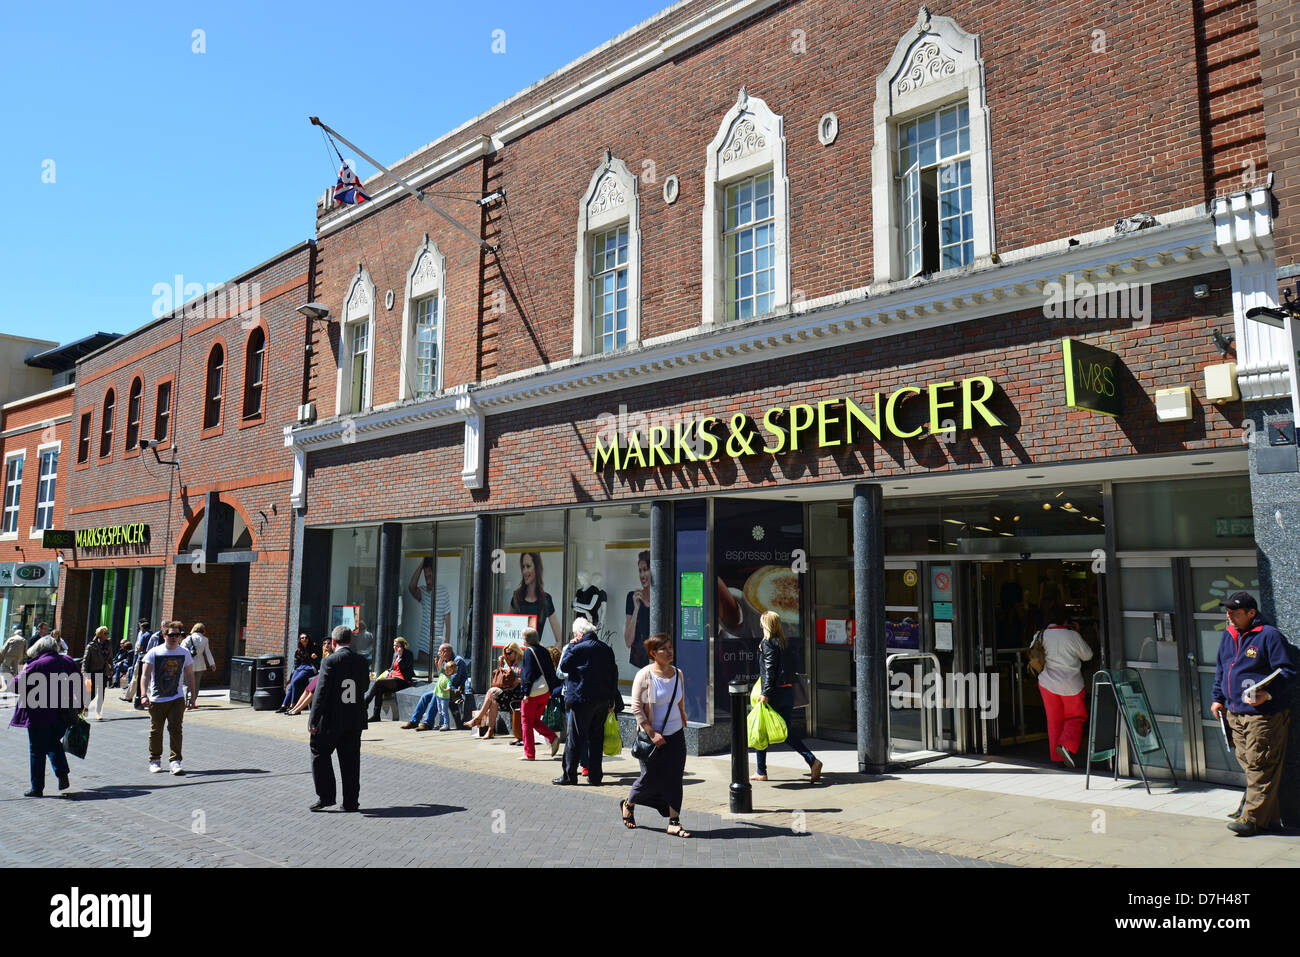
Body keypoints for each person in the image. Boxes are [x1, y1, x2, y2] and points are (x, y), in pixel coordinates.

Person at [1212, 592, 1296, 836]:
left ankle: (1251, 820)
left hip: (1263, 714)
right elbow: (1222, 669)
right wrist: (1217, 699)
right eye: (1227, 612)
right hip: (1234, 711)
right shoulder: (1228, 635)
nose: (1229, 617)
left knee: (1260, 763)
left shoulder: (1269, 636)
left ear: (1251, 613)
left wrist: (1267, 695)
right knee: (1250, 763)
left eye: (1235, 613)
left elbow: (1288, 673)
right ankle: (1269, 817)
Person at [623, 633, 690, 837]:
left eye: (671, 647)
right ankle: (629, 803)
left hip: (675, 734)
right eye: (665, 649)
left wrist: (683, 716)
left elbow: (678, 700)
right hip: (652, 737)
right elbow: (637, 708)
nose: (670, 652)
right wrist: (652, 734)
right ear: (653, 653)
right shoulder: (645, 676)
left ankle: (674, 821)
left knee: (675, 777)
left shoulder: (678, 673)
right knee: (649, 778)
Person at [752, 611, 822, 783]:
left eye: (762, 623)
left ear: (765, 625)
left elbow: (770, 670)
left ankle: (761, 771)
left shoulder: (767, 643)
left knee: (760, 731)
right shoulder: (785, 643)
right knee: (786, 732)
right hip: (787, 692)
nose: (760, 626)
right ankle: (812, 761)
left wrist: (765, 693)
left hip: (774, 693)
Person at [308, 625, 371, 812]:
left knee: (319, 752)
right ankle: (351, 802)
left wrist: (313, 719)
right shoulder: (361, 661)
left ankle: (326, 797)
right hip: (354, 719)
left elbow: (321, 691)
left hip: (331, 719)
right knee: (351, 761)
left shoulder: (330, 661)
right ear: (350, 641)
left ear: (333, 642)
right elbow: (365, 686)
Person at [9, 635, 80, 796]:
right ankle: (62, 774)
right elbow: (79, 684)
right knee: (53, 742)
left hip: (37, 714)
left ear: (39, 649)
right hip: (62, 713)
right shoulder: (67, 661)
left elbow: (14, 686)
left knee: (37, 750)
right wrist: (80, 705)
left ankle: (37, 787)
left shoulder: (35, 665)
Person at [555, 618, 617, 786]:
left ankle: (569, 775)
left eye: (575, 634)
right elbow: (613, 673)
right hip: (602, 700)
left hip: (582, 699)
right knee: (596, 739)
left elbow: (565, 667)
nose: (575, 637)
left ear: (579, 634)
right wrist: (611, 699)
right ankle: (595, 776)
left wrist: (571, 646)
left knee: (575, 739)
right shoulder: (606, 648)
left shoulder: (578, 648)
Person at [1034, 598, 1094, 768]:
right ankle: (1066, 746)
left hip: (1047, 684)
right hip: (1071, 684)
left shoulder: (1041, 634)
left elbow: (1033, 651)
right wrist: (1077, 633)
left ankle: (1056, 757)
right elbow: (1087, 655)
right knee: (1076, 717)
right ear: (1066, 620)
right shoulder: (1072, 635)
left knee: (1053, 721)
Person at [140, 621, 197, 775]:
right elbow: (145, 675)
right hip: (157, 699)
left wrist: (192, 696)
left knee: (176, 729)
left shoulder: (184, 652)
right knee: (156, 730)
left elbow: (190, 675)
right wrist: (143, 695)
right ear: (164, 635)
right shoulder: (154, 652)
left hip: (176, 698)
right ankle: (155, 759)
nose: (174, 638)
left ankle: (175, 761)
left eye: (177, 635)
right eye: (171, 635)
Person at [518, 626, 561, 760]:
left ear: (526, 640)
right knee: (535, 720)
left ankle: (529, 753)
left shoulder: (528, 652)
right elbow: (550, 672)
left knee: (526, 722)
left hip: (532, 693)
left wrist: (526, 692)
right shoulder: (544, 650)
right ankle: (552, 738)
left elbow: (527, 674)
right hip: (545, 691)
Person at [464, 643, 523, 738]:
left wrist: (517, 680)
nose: (507, 655)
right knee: (494, 701)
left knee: (491, 691)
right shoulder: (508, 662)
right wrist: (502, 663)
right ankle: (490, 730)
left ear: (516, 651)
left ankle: (477, 718)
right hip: (507, 692)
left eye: (509, 653)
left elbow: (520, 679)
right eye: (505, 654)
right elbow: (503, 677)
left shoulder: (521, 662)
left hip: (516, 693)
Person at [510, 552, 561, 646]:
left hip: (534, 656)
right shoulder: (517, 597)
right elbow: (507, 634)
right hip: (518, 657)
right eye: (523, 567)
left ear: (536, 568)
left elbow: (560, 640)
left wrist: (546, 655)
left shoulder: (546, 600)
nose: (525, 571)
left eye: (528, 566)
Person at [408, 557, 452, 667]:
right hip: (423, 649)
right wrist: (421, 564)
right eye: (425, 577)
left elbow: (448, 625)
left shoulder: (443, 592)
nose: (427, 580)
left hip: (438, 650)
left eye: (430, 576)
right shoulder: (423, 592)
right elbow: (411, 587)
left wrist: (445, 649)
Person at [363, 636, 414, 722]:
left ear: (402, 646)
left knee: (378, 682)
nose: (395, 647)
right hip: (394, 678)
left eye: (397, 646)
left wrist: (400, 656)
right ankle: (376, 716)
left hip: (403, 680)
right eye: (394, 645)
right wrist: (389, 671)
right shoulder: (395, 654)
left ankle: (367, 701)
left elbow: (404, 667)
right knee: (380, 690)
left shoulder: (408, 654)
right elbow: (392, 667)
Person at [624, 550, 652, 669]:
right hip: (641, 665)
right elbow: (628, 642)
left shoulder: (662, 598)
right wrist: (636, 609)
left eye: (645, 569)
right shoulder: (632, 597)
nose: (642, 575)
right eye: (640, 571)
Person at [279, 634, 319, 712]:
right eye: (302, 638)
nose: (305, 639)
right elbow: (295, 665)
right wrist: (290, 678)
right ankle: (283, 705)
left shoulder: (314, 647)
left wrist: (315, 657)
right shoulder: (298, 651)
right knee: (291, 685)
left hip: (309, 668)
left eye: (306, 638)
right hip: (300, 668)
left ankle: (292, 704)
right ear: (300, 640)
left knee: (295, 682)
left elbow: (319, 660)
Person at [81, 626, 113, 721]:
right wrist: (85, 673)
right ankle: (85, 706)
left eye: (107, 633)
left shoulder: (109, 644)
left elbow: (110, 658)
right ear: (99, 634)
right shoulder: (91, 646)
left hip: (102, 672)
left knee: (101, 693)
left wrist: (111, 669)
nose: (107, 635)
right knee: (91, 693)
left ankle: (98, 712)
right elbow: (85, 661)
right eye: (105, 633)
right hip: (92, 672)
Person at [182, 623, 218, 701]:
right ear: (203, 630)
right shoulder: (205, 639)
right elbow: (208, 652)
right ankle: (193, 701)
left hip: (189, 663)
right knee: (196, 684)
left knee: (185, 683)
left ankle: (184, 701)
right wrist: (212, 664)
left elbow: (182, 649)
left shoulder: (188, 638)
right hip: (200, 664)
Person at [1, 629, 27, 695]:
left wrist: (2, 655)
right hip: (18, 657)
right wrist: (23, 657)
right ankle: (13, 683)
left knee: (5, 668)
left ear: (15, 633)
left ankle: (7, 681)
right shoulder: (24, 640)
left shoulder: (11, 639)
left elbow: (4, 648)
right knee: (15, 670)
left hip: (9, 656)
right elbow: (25, 651)